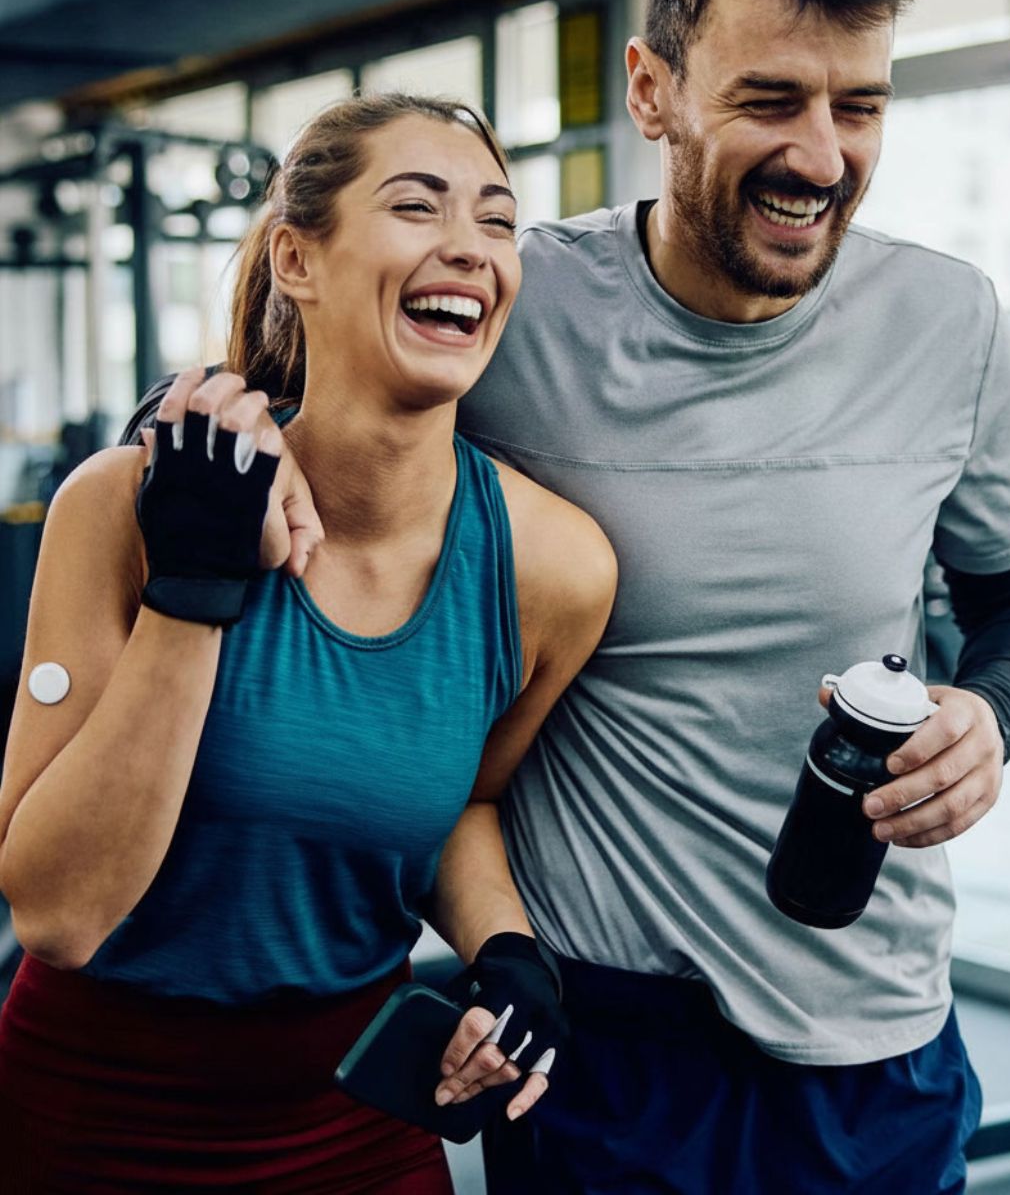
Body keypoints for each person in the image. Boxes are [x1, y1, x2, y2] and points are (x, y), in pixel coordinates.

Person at [446, 0, 1010, 1193]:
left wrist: (991, 717)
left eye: (860, 105)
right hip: (602, 1043)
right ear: (652, 89)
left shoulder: (948, 321)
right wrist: (198, 412)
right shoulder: (519, 306)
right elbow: (291, 375)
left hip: (871, 1039)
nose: (824, 154)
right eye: (771, 100)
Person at [0, 92, 617, 1192]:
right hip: (89, 1111)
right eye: (417, 206)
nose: (467, 249)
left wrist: (512, 954)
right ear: (297, 256)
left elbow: (462, 799)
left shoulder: (554, 568)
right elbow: (56, 911)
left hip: (353, 1120)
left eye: (494, 219)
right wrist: (194, 587)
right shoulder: (125, 502)